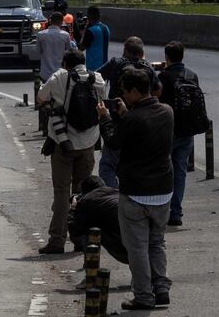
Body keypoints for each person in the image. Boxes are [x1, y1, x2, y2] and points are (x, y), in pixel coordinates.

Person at [97, 68, 174, 310]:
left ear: (133, 91)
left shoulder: (131, 119)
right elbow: (144, 127)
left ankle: (143, 296)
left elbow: (113, 140)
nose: (123, 95)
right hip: (163, 189)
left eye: (125, 91)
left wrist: (105, 117)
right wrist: (126, 114)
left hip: (136, 192)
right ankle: (161, 288)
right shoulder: (167, 112)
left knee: (137, 247)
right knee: (157, 241)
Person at [37, 49, 106, 254]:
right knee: (81, 193)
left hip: (63, 143)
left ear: (66, 63)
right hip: (88, 143)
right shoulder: (98, 79)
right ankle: (81, 239)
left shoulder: (59, 76)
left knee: (61, 193)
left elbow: (41, 97)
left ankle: (57, 240)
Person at [96, 36, 161, 188]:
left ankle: (114, 200)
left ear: (125, 50)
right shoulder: (148, 68)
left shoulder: (116, 63)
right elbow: (158, 90)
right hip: (143, 124)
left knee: (107, 166)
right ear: (142, 52)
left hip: (116, 123)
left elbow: (97, 79)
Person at [155, 41, 200, 227]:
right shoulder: (192, 75)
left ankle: (161, 211)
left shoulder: (164, 77)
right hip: (187, 131)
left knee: (163, 171)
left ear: (167, 57)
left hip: (168, 131)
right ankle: (176, 212)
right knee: (180, 171)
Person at [68, 176, 128, 265]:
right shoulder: (117, 193)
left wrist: (74, 208)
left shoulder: (89, 199)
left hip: (125, 249)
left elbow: (75, 230)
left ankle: (92, 273)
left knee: (90, 230)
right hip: (145, 244)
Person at [36, 12, 72, 82]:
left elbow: (38, 52)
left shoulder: (40, 35)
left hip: (45, 73)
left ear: (50, 21)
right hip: (61, 73)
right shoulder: (65, 35)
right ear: (62, 22)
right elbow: (69, 52)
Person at [78, 6, 110, 71]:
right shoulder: (106, 28)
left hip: (93, 67)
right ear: (99, 15)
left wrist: (85, 29)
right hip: (105, 65)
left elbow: (81, 48)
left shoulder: (90, 30)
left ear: (89, 16)